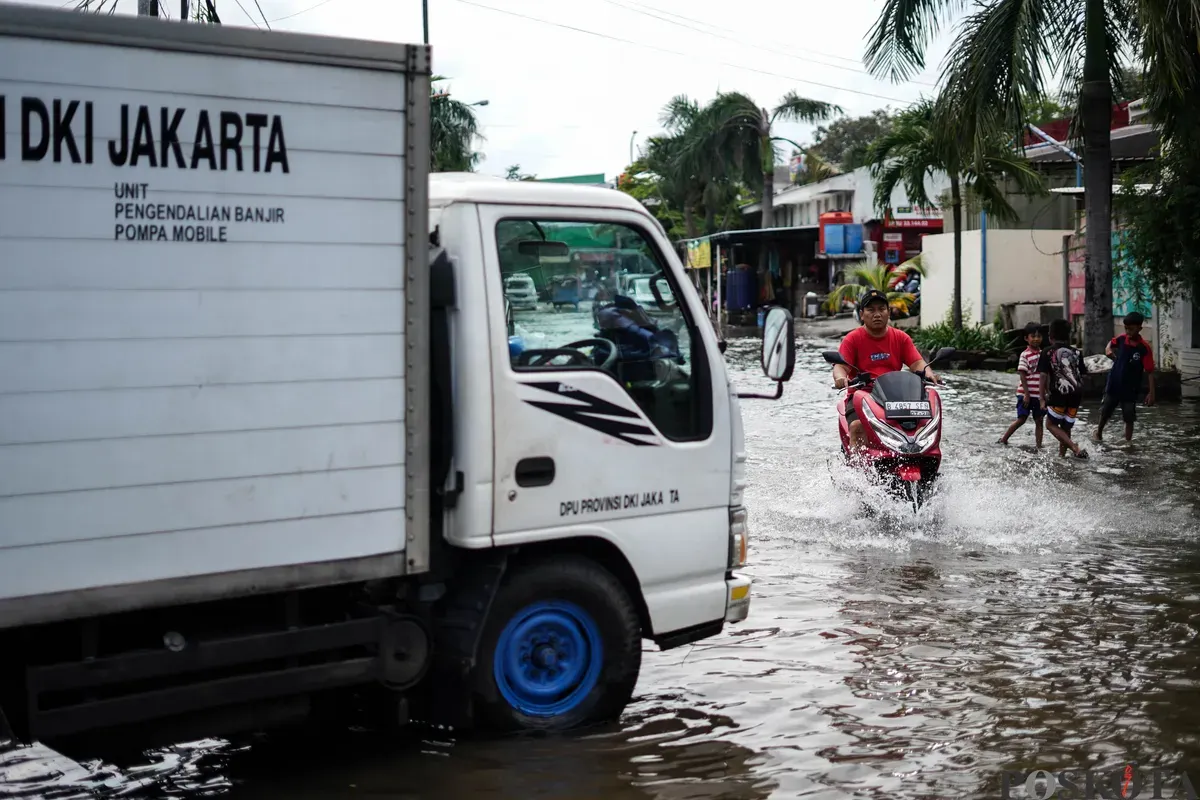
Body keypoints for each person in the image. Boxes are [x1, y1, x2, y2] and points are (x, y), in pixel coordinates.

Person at [831, 289, 940, 451]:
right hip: (862, 395)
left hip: (896, 396)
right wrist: (840, 378)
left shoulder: (901, 338)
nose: (877, 314)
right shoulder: (852, 339)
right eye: (871, 310)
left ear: (888, 312)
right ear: (862, 314)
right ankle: (856, 470)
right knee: (856, 425)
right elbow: (840, 366)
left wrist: (929, 374)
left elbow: (918, 363)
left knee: (925, 422)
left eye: (881, 309)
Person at [1094, 311, 1156, 443]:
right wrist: (1108, 350)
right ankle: (1099, 432)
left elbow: (1150, 371)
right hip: (1114, 384)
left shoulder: (1144, 348)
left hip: (1130, 388)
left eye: (1131, 329)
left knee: (1129, 416)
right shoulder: (1122, 339)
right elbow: (1110, 343)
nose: (1128, 332)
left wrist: (1151, 393)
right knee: (1105, 411)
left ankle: (1128, 442)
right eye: (1126, 329)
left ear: (1139, 328)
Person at [1037, 318, 1089, 458]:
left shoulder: (1047, 352)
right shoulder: (1077, 352)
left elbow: (1042, 376)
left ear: (1050, 336)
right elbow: (1083, 375)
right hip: (1076, 394)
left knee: (1050, 424)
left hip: (1059, 393)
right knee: (1066, 427)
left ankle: (1074, 447)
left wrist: (1042, 398)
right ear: (1069, 335)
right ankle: (1062, 457)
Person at [999, 322, 1046, 447]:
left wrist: (1045, 394)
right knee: (1021, 419)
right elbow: (1022, 374)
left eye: (1039, 336)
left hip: (1038, 395)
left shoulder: (1043, 355)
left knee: (1039, 421)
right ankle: (1004, 438)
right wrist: (1026, 394)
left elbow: (1045, 375)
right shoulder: (1025, 354)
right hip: (1025, 393)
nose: (1036, 339)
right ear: (1026, 338)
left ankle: (1039, 446)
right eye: (1033, 336)